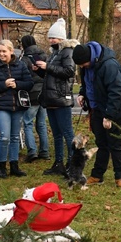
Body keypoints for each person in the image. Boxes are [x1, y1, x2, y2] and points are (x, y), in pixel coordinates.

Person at [74, 42, 121, 188]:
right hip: (97, 109)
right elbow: (87, 84)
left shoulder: (109, 65)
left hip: (115, 110)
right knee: (101, 143)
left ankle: (120, 177)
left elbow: (117, 91)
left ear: (90, 58)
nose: (82, 67)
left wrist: (109, 116)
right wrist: (82, 94)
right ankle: (97, 175)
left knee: (116, 144)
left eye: (83, 64)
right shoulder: (86, 66)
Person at [0, 39, 34, 178]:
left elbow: (29, 83)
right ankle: (1, 167)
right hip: (1, 105)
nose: (1, 54)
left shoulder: (21, 65)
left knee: (14, 137)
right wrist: (4, 84)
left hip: (18, 106)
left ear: (11, 51)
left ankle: (14, 165)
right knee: (4, 137)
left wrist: (17, 84)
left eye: (4, 51)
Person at [40, 20, 78, 176]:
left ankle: (73, 164)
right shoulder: (54, 53)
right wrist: (39, 70)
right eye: (50, 38)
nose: (52, 40)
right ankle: (59, 163)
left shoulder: (68, 52)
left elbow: (69, 71)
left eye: (54, 38)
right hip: (51, 100)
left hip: (61, 99)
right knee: (56, 134)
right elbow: (52, 75)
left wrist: (48, 67)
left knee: (68, 133)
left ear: (61, 38)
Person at [19, 34, 50, 163]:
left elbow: (22, 77)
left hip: (31, 94)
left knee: (28, 122)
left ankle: (32, 151)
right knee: (42, 124)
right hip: (44, 93)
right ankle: (45, 151)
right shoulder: (44, 56)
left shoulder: (24, 59)